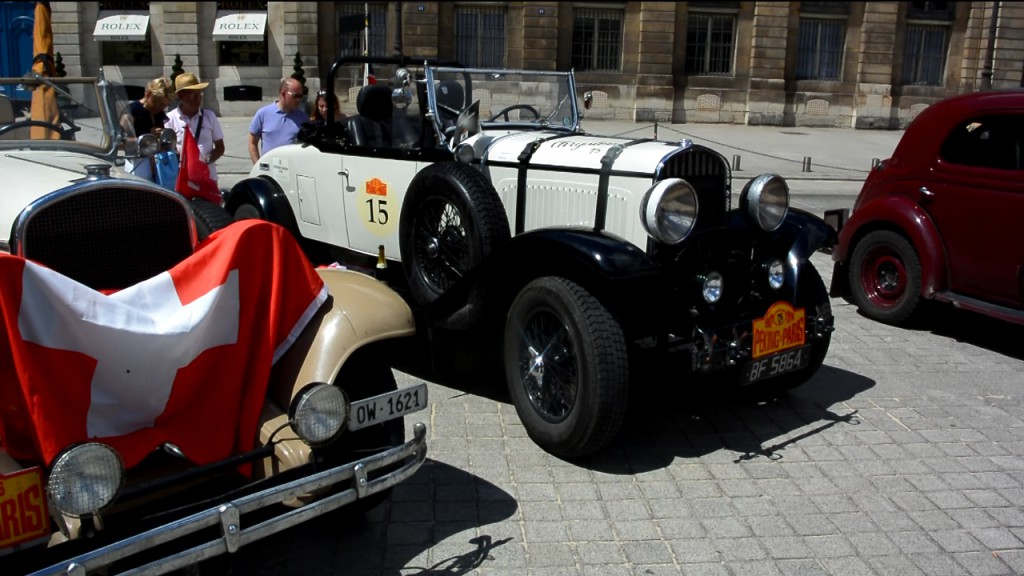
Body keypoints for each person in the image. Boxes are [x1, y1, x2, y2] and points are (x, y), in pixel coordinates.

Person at [164, 72, 226, 183]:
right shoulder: (170, 119)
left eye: (200, 94)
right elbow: (166, 151)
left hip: (207, 178)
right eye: (193, 95)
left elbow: (220, 147)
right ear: (181, 96)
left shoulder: (209, 116)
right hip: (182, 179)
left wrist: (207, 159)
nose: (198, 99)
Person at [122, 76, 173, 181]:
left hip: (158, 165)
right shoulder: (132, 111)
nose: (160, 108)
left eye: (164, 106)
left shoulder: (158, 113)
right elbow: (119, 142)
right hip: (137, 165)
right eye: (158, 103)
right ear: (148, 94)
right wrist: (147, 138)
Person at [248, 77, 309, 164]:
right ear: (283, 94)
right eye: (295, 96)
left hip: (293, 167)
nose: (298, 100)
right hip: (269, 167)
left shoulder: (303, 118)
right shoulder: (263, 114)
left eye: (300, 96)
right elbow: (252, 143)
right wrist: (257, 165)